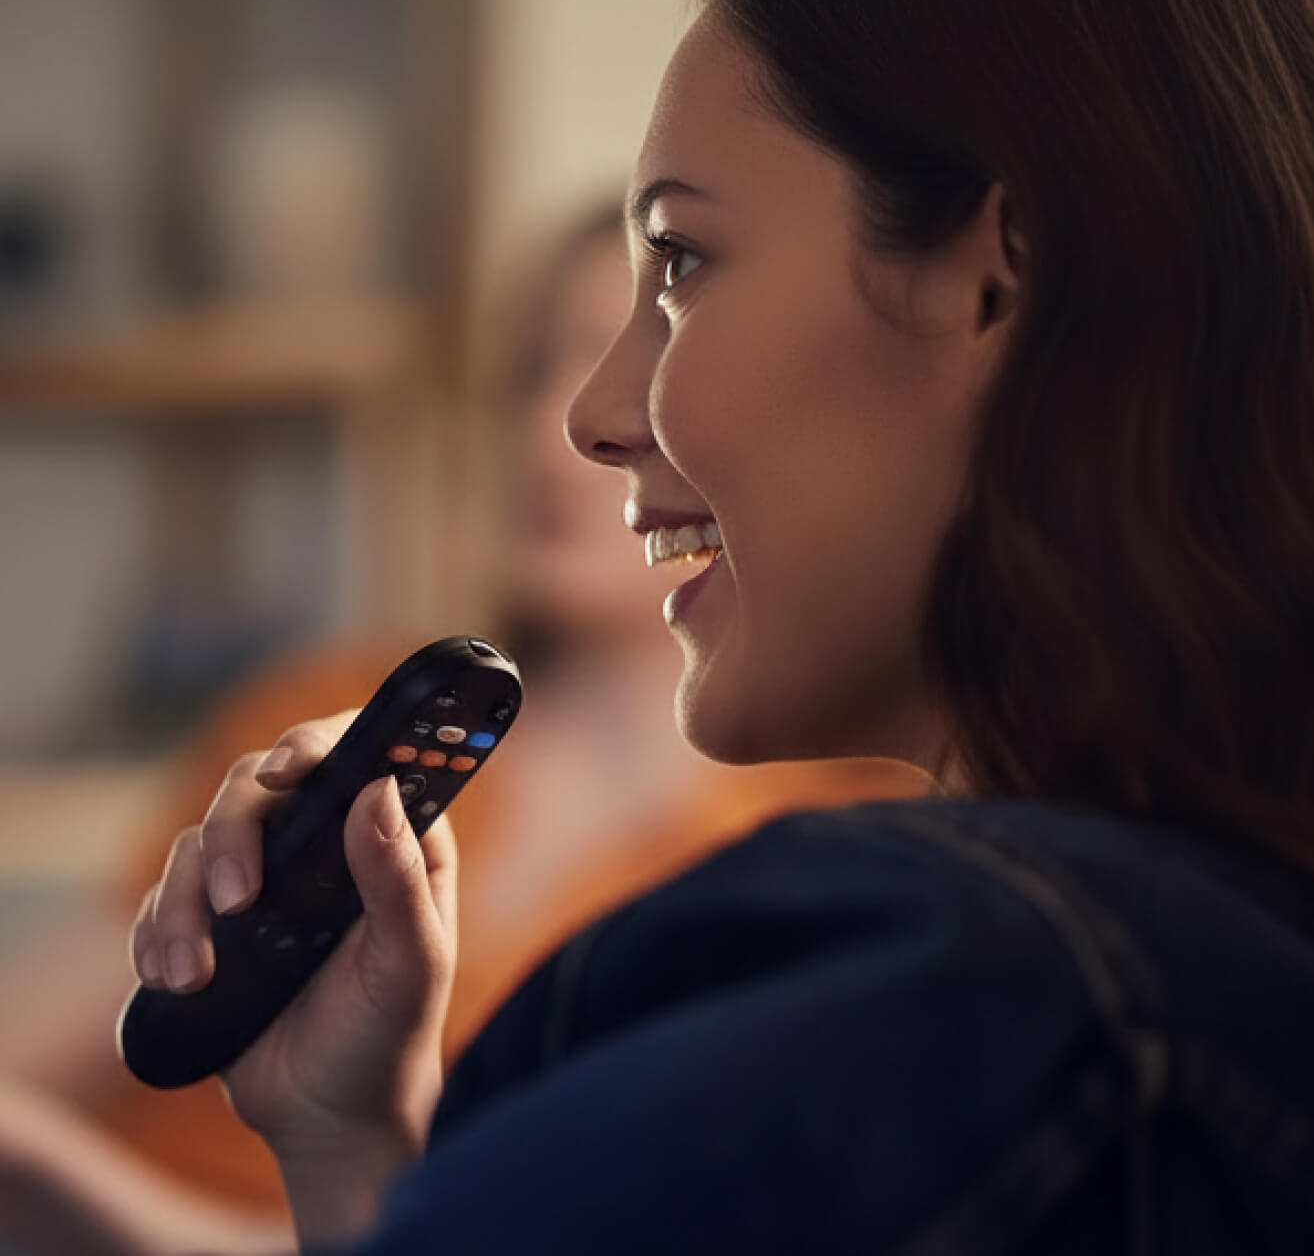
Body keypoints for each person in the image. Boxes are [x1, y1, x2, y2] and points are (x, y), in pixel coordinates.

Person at [128, 0, 1314, 1250]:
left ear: (996, 282)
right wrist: (354, 1148)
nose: (585, 416)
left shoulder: (922, 995)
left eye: (681, 263)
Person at [0, 197, 926, 1255]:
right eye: (531, 370)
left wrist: (86, 1194)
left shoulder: (841, 839)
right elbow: (46, 1037)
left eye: (644, 362)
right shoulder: (340, 707)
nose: (551, 430)